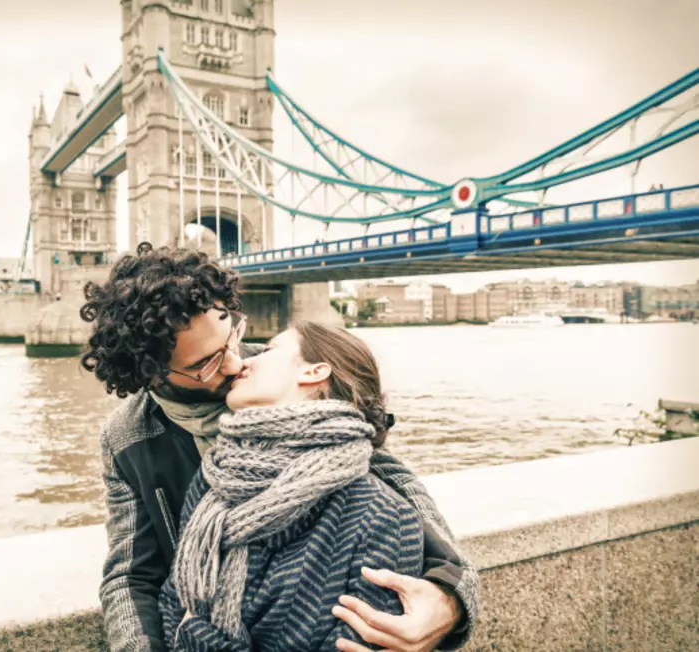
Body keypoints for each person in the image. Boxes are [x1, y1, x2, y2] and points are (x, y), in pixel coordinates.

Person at [80, 244, 479, 652]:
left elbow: (388, 481)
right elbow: (133, 575)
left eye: (232, 334)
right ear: (151, 373)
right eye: (207, 363)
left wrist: (451, 600)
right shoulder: (127, 436)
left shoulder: (273, 380)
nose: (235, 364)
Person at [160, 320, 424, 651]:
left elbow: (184, 623)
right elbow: (173, 599)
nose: (244, 361)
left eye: (270, 349)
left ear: (314, 372)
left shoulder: (382, 516)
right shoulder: (215, 477)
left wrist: (194, 635)